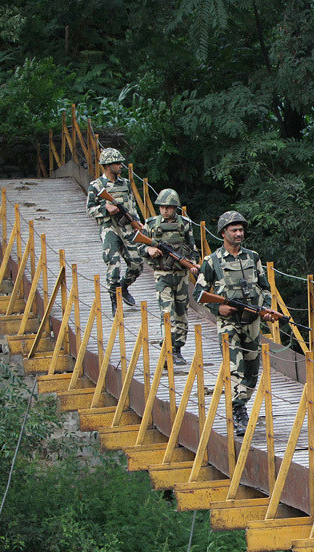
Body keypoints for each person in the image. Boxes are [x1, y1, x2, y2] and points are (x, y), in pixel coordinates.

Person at [192, 211, 272, 436]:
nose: (239, 233)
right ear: (224, 233)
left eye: (241, 230)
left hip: (252, 320)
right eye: (234, 230)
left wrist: (265, 308)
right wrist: (218, 308)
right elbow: (199, 293)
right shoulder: (212, 261)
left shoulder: (253, 257)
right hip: (228, 323)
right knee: (234, 367)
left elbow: (265, 287)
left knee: (251, 371)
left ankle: (241, 405)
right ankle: (238, 413)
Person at [141, 188, 200, 366]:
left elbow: (192, 247)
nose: (164, 210)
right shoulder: (151, 224)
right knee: (167, 313)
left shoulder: (185, 224)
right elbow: (138, 245)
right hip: (162, 275)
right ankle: (166, 349)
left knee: (182, 313)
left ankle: (177, 349)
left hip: (181, 276)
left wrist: (193, 264)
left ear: (175, 208)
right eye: (162, 207)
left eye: (168, 207)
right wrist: (149, 249)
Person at [86, 147, 143, 315]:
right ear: (107, 166)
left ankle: (123, 288)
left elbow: (131, 205)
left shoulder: (125, 184)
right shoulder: (96, 186)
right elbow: (89, 209)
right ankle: (114, 300)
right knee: (113, 263)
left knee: (137, 263)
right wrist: (105, 208)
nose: (120, 166)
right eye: (117, 163)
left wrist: (137, 222)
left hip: (126, 227)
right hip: (109, 228)